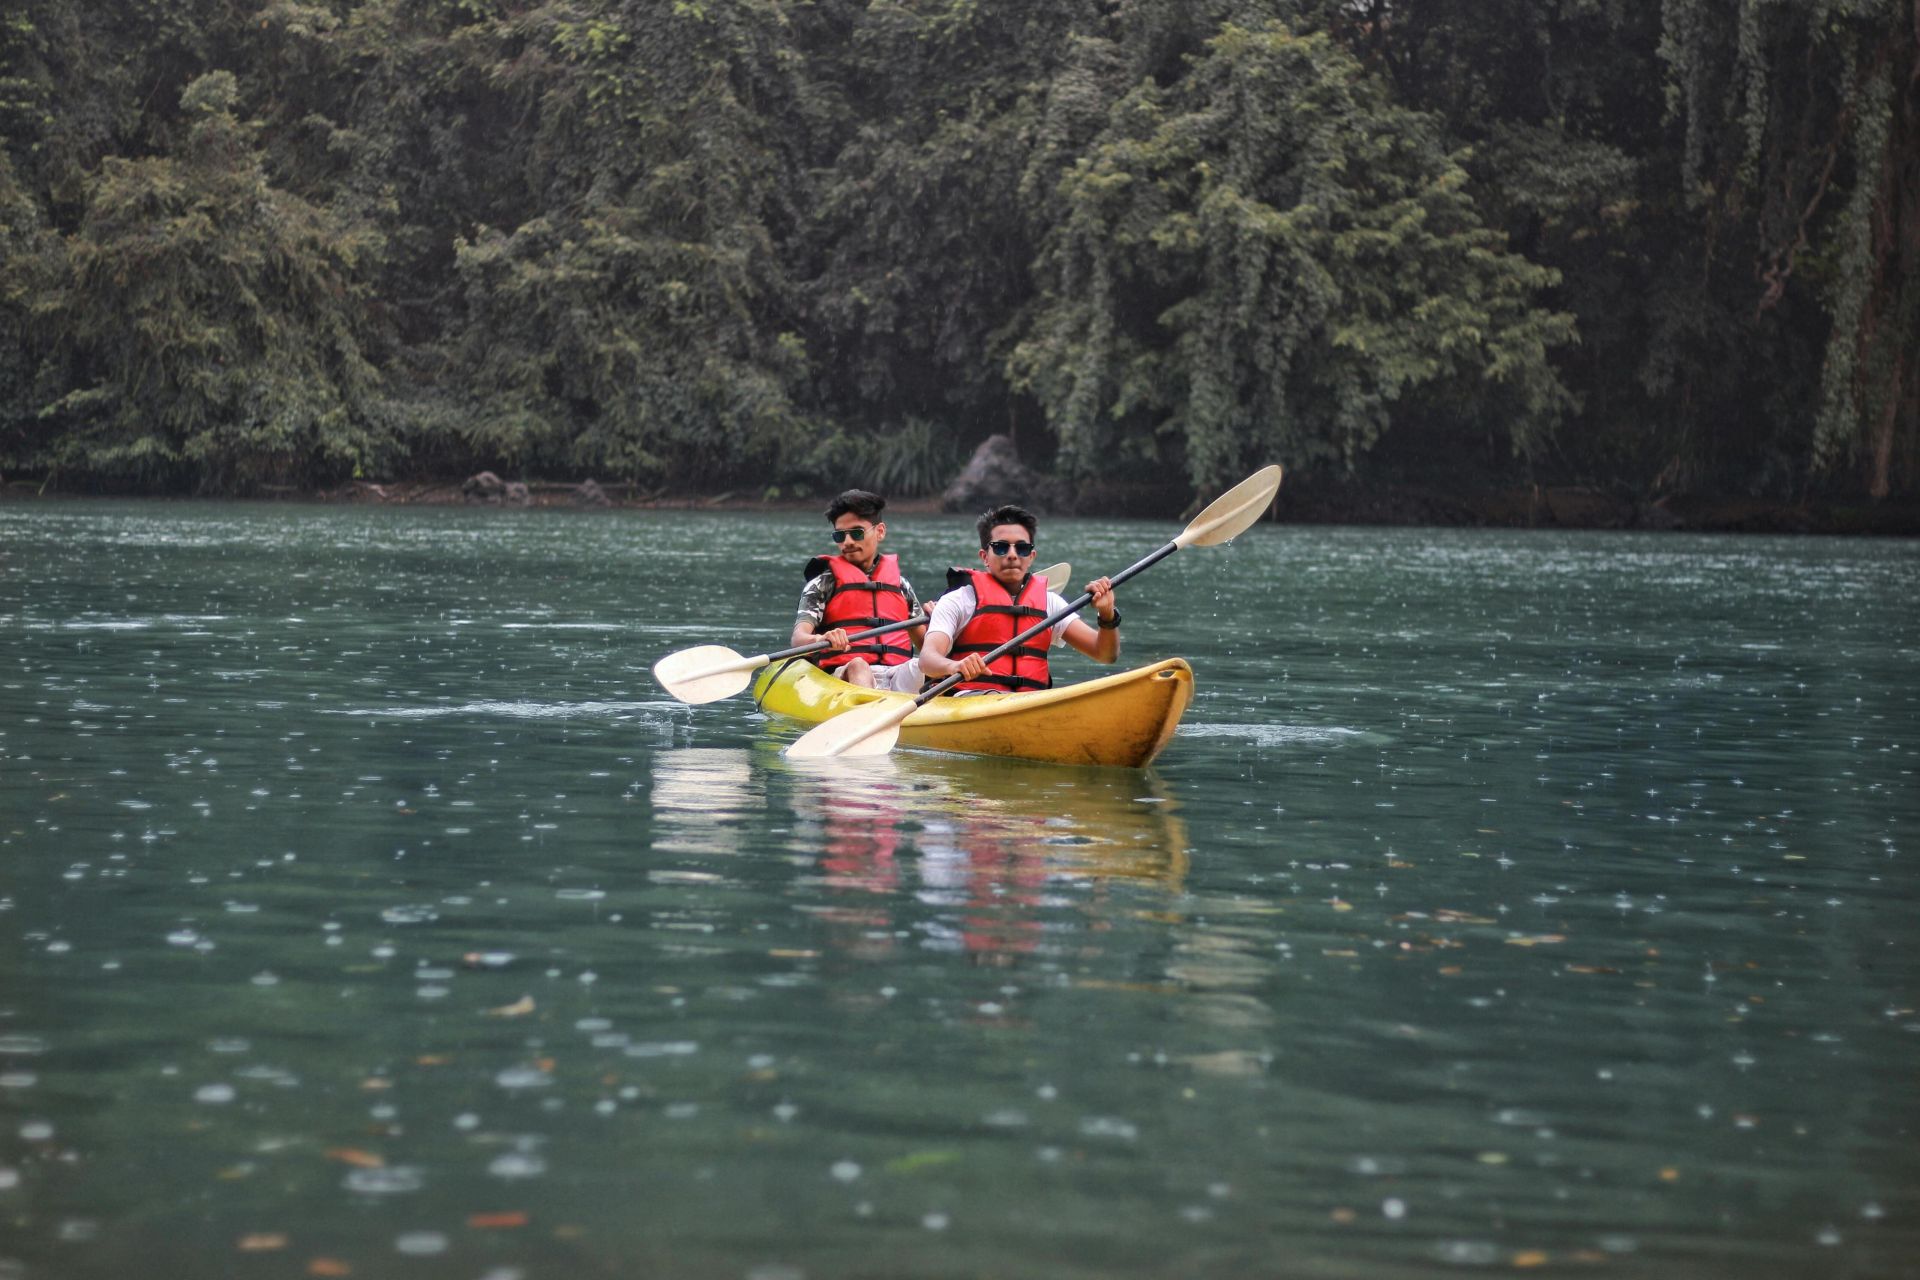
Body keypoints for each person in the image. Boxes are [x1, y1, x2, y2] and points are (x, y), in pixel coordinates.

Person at [919, 503, 1119, 693]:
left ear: (1031, 556)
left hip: (1030, 701)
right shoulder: (959, 600)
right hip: (969, 700)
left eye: (1021, 548)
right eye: (1000, 547)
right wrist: (954, 666)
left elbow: (1105, 654)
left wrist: (1107, 614)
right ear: (984, 557)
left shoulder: (1050, 603)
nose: (1012, 555)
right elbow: (927, 660)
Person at [791, 489, 927, 692]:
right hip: (845, 675)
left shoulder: (901, 586)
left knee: (923, 665)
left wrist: (938, 623)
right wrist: (822, 639)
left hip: (896, 672)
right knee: (859, 665)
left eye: (856, 533)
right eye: (839, 535)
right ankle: (867, 710)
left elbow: (926, 644)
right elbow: (798, 639)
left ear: (880, 531)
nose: (847, 542)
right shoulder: (823, 584)